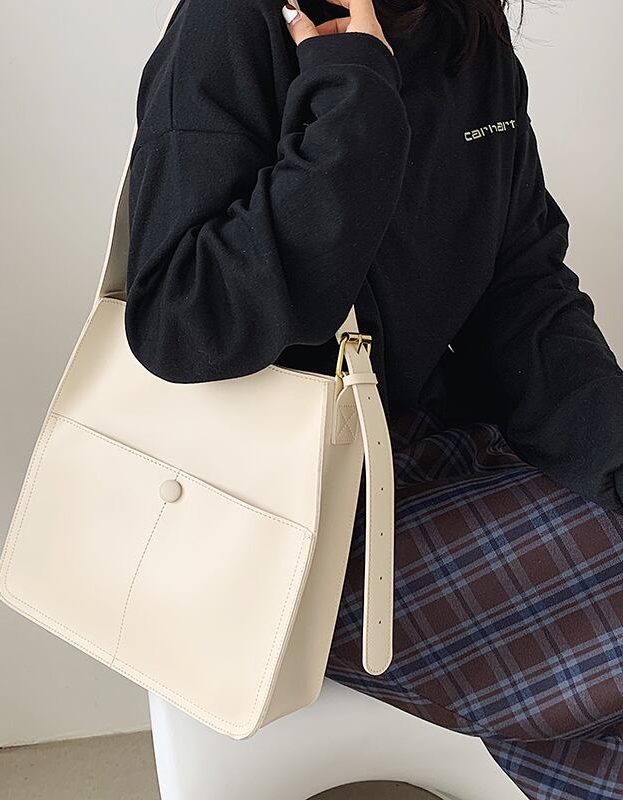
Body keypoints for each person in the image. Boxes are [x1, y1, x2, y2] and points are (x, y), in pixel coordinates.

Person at [124, 0, 623, 797]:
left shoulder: (467, 33)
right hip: (273, 528)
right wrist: (352, 111)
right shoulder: (233, 21)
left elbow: (524, 296)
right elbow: (183, 321)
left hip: (418, 464)